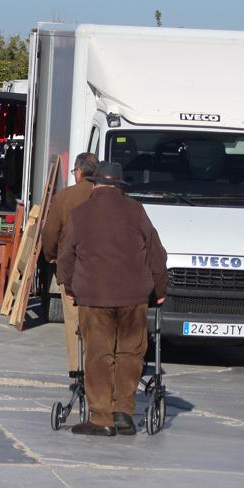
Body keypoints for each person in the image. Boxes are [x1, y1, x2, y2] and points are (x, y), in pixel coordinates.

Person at [57, 161, 168, 437]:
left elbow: (65, 255)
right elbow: (157, 254)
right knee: (131, 353)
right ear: (120, 186)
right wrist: (161, 289)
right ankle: (123, 412)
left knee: (98, 354)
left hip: (94, 297)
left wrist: (68, 285)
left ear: (94, 184)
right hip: (134, 297)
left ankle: (101, 418)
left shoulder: (80, 214)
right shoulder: (136, 210)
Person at [41, 152, 99, 376]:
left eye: (75, 171)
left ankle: (76, 368)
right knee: (96, 320)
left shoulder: (65, 196)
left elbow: (50, 232)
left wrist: (51, 255)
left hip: (71, 268)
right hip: (100, 270)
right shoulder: (104, 195)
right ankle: (95, 366)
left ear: (80, 172)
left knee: (73, 319)